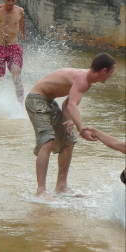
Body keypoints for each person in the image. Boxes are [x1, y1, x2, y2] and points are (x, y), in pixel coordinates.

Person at [25, 53, 116, 200]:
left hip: (49, 101)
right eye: (111, 72)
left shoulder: (86, 82)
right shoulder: (82, 79)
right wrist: (82, 129)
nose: (111, 76)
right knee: (48, 141)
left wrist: (70, 120)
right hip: (36, 99)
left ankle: (61, 187)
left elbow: (67, 104)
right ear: (104, 70)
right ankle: (41, 190)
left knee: (69, 141)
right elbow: (72, 105)